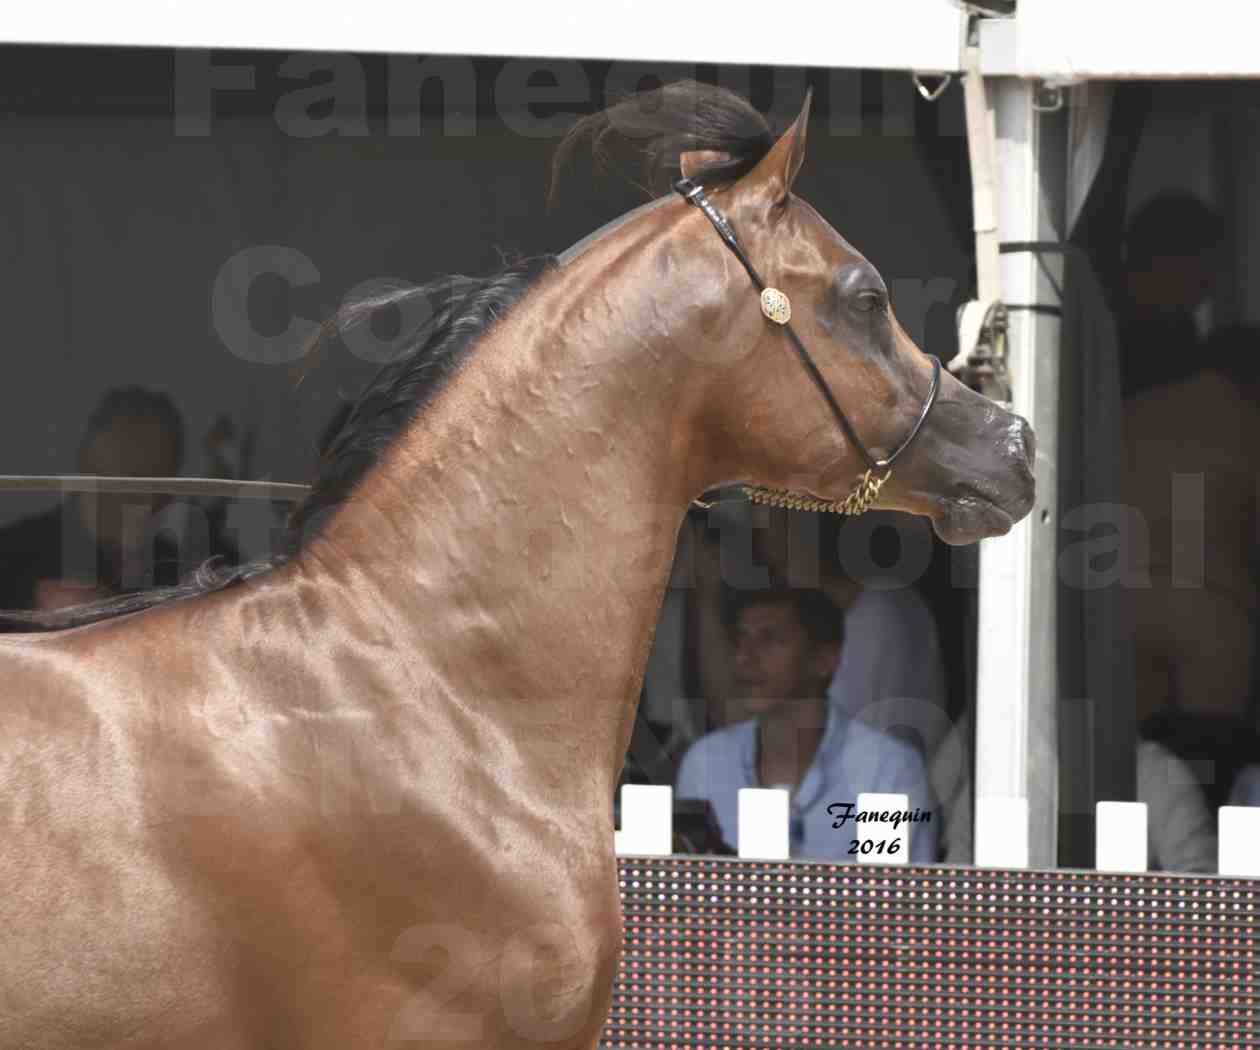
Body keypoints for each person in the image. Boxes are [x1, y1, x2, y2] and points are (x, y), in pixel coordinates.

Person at [675, 585, 939, 863]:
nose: (744, 658)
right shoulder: (704, 763)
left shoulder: (887, 769)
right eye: (741, 639)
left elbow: (893, 898)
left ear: (824, 660)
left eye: (769, 639)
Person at [0, 387, 186, 610]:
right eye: (126, 452)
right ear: (86, 457)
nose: (141, 467)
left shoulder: (183, 571)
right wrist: (31, 613)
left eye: (159, 461)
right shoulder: (13, 552)